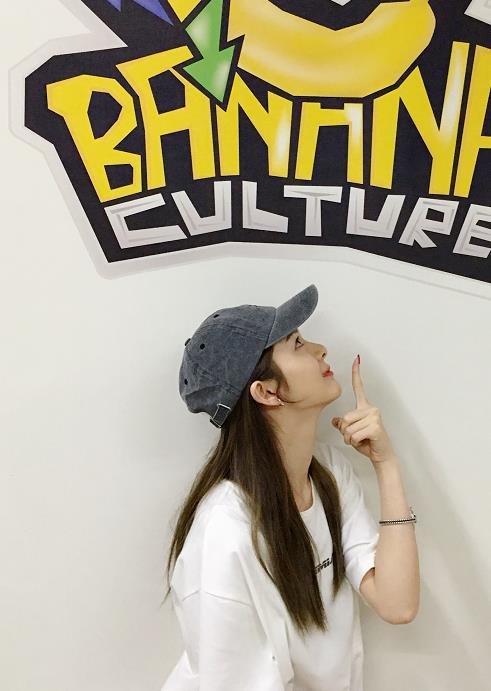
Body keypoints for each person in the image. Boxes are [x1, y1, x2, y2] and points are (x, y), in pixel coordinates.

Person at [160, 284, 419, 690]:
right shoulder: (224, 531)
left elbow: (397, 603)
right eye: (297, 343)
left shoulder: (328, 473)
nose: (320, 349)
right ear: (266, 392)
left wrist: (386, 465)